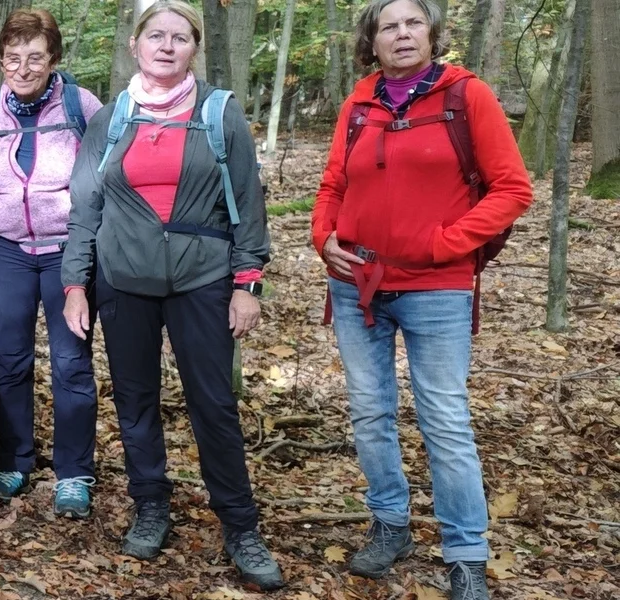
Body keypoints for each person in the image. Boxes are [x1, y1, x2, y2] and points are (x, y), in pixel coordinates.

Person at [314, 1, 532, 597]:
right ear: (373, 40)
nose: (402, 34)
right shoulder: (359, 104)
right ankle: (390, 524)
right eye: (389, 25)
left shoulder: (468, 96)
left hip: (437, 287)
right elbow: (335, 182)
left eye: (413, 22)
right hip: (357, 281)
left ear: (432, 33)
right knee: (369, 411)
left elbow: (512, 187)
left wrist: (447, 243)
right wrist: (322, 237)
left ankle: (465, 553)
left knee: (445, 418)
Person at [61, 0, 280, 589]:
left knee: (213, 402)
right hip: (122, 281)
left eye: (179, 38)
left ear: (194, 49)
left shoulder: (219, 112)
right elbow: (85, 207)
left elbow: (248, 203)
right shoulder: (110, 119)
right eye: (154, 35)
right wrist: (75, 284)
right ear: (135, 45)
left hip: (201, 279)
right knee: (135, 402)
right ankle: (151, 505)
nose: (166, 45)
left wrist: (247, 284)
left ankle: (240, 525)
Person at [0, 8, 101, 516]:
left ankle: (74, 472)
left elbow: (104, 177)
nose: (23, 68)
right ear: (1, 60)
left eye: (35, 58)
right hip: (7, 253)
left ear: (53, 59)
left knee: (70, 361)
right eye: (13, 58)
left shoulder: (81, 106)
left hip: (70, 254)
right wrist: (5, 222)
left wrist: (76, 237)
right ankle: (14, 461)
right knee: (10, 361)